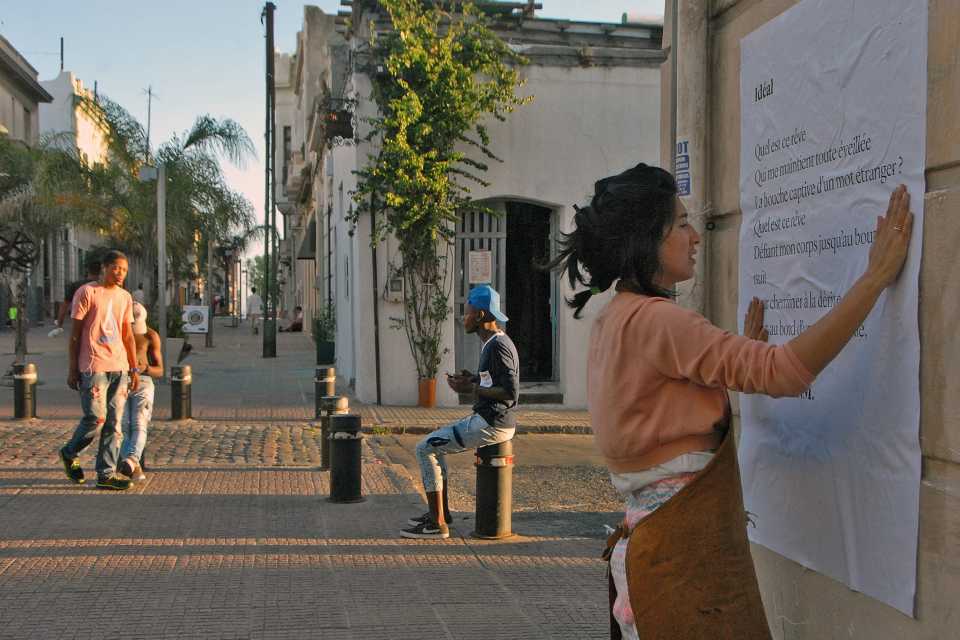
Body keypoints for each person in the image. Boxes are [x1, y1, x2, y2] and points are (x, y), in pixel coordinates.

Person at [542, 163, 914, 639]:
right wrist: (874, 280)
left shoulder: (616, 318)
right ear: (646, 241)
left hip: (655, 556)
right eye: (679, 224)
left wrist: (734, 360)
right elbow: (783, 373)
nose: (694, 235)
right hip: (686, 558)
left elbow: (661, 410)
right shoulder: (660, 322)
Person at [400, 284, 520, 540]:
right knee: (434, 445)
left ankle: (437, 523)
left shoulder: (498, 346)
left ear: (481, 315)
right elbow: (492, 382)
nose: (462, 318)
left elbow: (510, 392)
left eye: (467, 312)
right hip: (489, 419)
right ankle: (441, 513)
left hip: (492, 423)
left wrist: (472, 386)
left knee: (425, 448)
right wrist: (473, 379)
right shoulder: (494, 342)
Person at [58, 250, 141, 491]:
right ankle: (69, 451)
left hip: (120, 366)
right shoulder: (87, 292)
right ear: (104, 268)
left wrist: (134, 368)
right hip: (93, 365)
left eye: (124, 270)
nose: (120, 273)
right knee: (96, 417)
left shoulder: (125, 297)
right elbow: (75, 336)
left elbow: (127, 335)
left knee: (114, 423)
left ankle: (106, 474)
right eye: (116, 268)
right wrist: (72, 369)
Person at [118, 301, 163, 482]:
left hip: (143, 382)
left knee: (139, 423)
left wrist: (145, 368)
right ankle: (134, 466)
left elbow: (160, 370)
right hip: (120, 381)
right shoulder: (117, 333)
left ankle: (132, 459)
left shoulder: (150, 336)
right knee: (121, 426)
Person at [51, 256, 102, 337]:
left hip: (79, 324)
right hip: (100, 326)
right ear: (101, 271)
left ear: (88, 270)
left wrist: (59, 325)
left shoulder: (76, 285)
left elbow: (64, 306)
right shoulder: (104, 287)